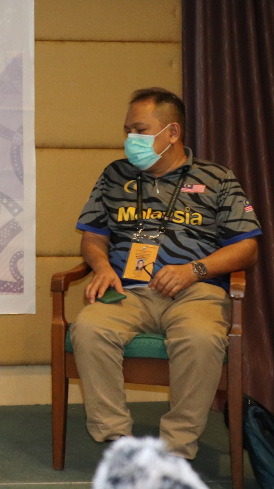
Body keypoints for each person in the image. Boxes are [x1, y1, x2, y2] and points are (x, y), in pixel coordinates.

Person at [73, 88, 260, 459]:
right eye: (127, 130)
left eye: (140, 130)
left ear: (172, 132)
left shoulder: (217, 178)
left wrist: (195, 270)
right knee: (89, 328)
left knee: (201, 338)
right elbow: (93, 235)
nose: (130, 140)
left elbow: (247, 247)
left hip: (196, 292)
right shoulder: (115, 175)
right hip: (129, 292)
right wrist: (103, 266)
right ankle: (116, 439)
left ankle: (176, 447)